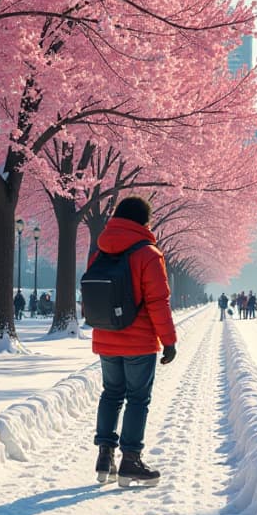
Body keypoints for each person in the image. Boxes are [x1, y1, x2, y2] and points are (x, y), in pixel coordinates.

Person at [90, 196, 177, 487]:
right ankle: (131, 461)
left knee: (111, 394)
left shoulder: (100, 250)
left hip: (106, 336)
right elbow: (157, 302)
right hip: (139, 342)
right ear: (144, 221)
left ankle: (105, 457)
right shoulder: (148, 253)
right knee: (137, 398)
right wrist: (169, 341)